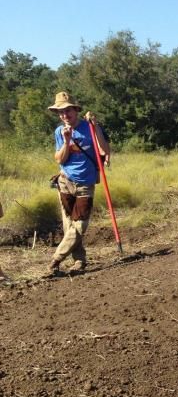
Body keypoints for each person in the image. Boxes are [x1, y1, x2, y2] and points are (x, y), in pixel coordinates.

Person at [48, 91, 110, 275]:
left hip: (86, 182)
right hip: (65, 180)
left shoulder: (90, 128)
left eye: (68, 111)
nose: (64, 115)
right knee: (69, 223)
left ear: (75, 110)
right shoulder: (60, 131)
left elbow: (105, 149)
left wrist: (96, 126)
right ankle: (79, 261)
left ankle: (56, 258)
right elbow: (60, 159)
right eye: (60, 112)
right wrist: (66, 142)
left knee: (80, 224)